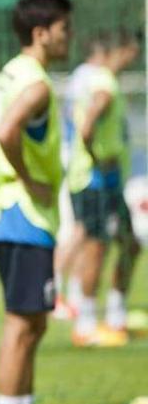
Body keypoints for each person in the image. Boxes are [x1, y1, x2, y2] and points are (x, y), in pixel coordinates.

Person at [0, 0, 71, 404]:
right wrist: (27, 180)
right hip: (24, 215)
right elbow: (5, 132)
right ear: (41, 33)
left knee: (31, 323)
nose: (70, 37)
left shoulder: (10, 73)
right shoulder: (34, 85)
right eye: (65, 29)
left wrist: (3, 170)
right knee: (21, 324)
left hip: (2, 211)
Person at [62, 29, 141, 346]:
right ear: (117, 50)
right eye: (130, 53)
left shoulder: (93, 80)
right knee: (97, 246)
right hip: (96, 180)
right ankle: (86, 323)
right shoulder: (104, 84)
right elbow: (88, 122)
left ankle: (115, 315)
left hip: (104, 181)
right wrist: (96, 156)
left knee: (129, 243)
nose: (132, 60)